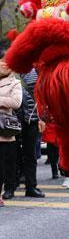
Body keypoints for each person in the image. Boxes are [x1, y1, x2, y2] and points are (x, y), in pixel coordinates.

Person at [14, 68, 45, 198]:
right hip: (12, 119)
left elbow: (41, 96)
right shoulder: (8, 69)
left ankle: (31, 187)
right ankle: (11, 186)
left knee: (30, 154)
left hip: (31, 119)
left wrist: (41, 118)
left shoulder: (34, 71)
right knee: (12, 154)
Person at [0, 54, 22, 205]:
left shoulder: (15, 83)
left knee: (5, 164)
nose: (4, 65)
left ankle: (7, 189)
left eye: (7, 63)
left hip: (4, 129)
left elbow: (16, 102)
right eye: (2, 62)